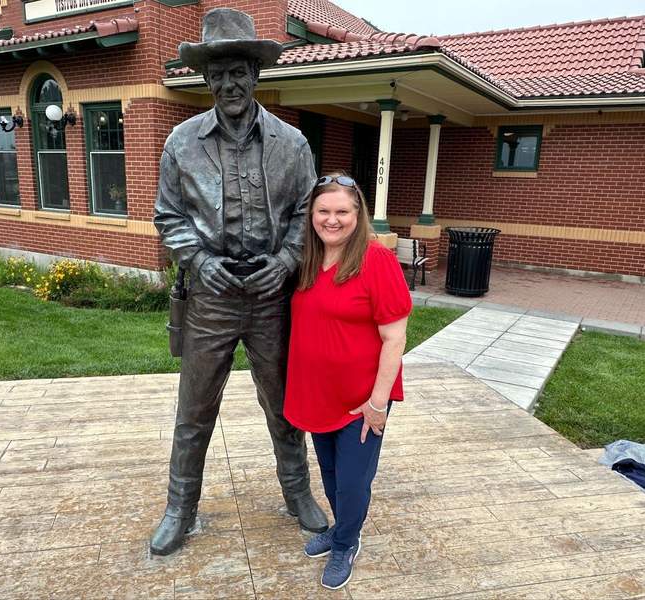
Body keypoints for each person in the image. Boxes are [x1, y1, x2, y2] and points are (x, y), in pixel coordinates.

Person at [150, 8, 328, 556]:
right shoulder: (181, 143)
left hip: (273, 297)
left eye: (238, 72)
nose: (229, 83)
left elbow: (306, 210)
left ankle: (297, 490)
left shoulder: (292, 144)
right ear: (206, 79)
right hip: (210, 297)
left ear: (256, 74)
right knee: (195, 409)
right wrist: (200, 263)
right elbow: (168, 217)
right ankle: (181, 506)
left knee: (283, 404)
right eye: (218, 73)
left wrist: (288, 257)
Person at [284, 173, 412, 589]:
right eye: (324, 210)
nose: (332, 219)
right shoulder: (307, 258)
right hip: (318, 392)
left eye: (342, 211)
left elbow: (395, 336)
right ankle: (342, 529)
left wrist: (378, 402)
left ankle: (345, 543)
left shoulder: (377, 260)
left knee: (354, 480)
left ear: (358, 215)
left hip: (362, 398)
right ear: (312, 214)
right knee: (332, 474)